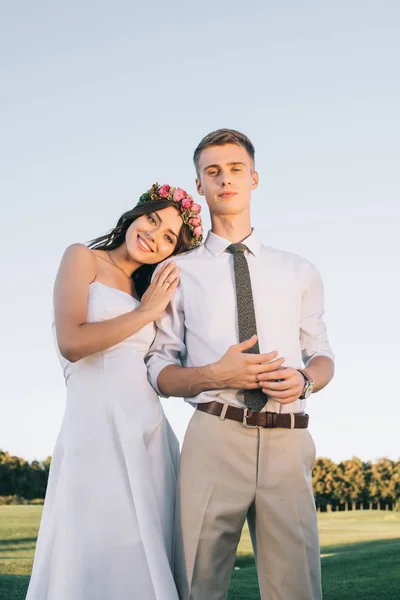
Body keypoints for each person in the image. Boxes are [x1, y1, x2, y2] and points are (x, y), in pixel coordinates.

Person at [146, 130, 335, 600]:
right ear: (199, 185)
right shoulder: (178, 271)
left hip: (289, 438)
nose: (224, 180)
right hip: (214, 433)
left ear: (253, 179)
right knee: (196, 584)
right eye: (213, 172)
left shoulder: (299, 269)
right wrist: (216, 374)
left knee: (297, 587)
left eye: (234, 170)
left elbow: (324, 356)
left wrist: (305, 381)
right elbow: (158, 370)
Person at [25, 183, 203, 600]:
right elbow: (72, 342)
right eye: (152, 220)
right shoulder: (81, 258)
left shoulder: (149, 289)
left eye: (167, 239)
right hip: (94, 427)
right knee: (96, 543)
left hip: (149, 431)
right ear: (136, 214)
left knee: (145, 549)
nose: (152, 236)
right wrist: (146, 313)